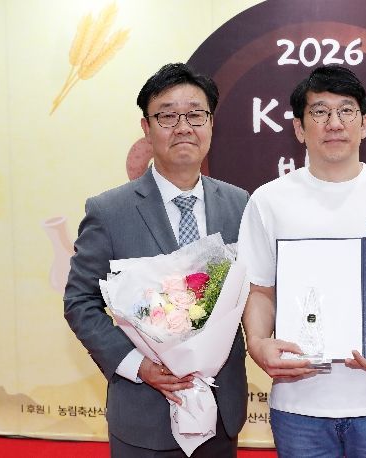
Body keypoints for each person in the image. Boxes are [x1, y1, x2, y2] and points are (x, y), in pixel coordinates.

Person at [238, 64, 366, 457]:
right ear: (299, 128)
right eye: (320, 112)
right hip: (300, 404)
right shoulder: (268, 200)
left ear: (365, 124)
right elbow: (259, 289)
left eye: (346, 111)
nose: (334, 123)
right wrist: (257, 344)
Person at [64, 63, 249, 457]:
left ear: (211, 124)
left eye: (195, 115)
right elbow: (79, 301)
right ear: (146, 129)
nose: (183, 127)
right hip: (144, 415)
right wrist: (137, 365)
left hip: (222, 415)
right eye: (167, 116)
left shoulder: (241, 205)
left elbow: (254, 295)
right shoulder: (109, 211)